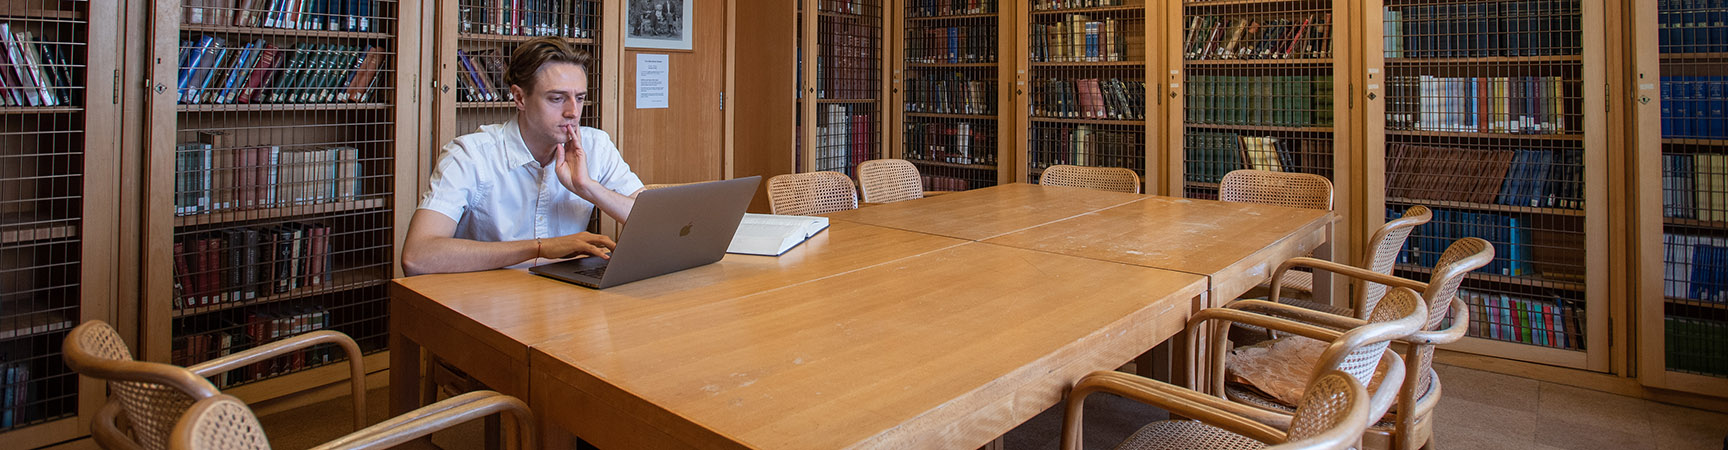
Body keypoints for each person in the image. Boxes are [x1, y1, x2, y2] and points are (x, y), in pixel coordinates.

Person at [403, 37, 643, 276]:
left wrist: (588, 187)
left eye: (579, 98)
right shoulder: (470, 156)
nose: (573, 112)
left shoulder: (596, 145)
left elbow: (654, 222)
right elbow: (418, 257)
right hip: (488, 300)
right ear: (519, 98)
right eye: (556, 98)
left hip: (566, 298)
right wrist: (541, 248)